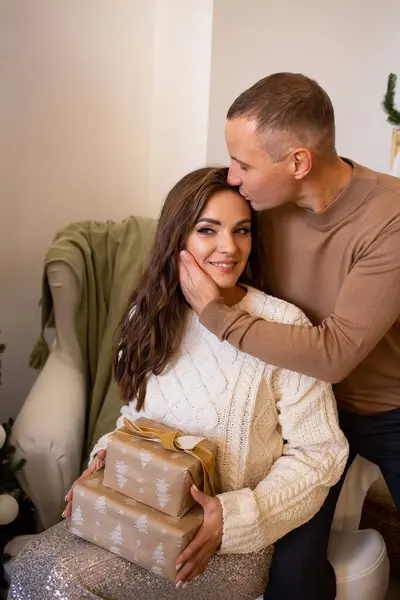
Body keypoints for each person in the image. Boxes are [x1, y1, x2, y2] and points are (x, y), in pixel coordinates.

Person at [9, 167, 347, 600]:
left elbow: (322, 454)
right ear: (177, 239)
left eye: (241, 231)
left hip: (227, 547)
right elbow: (134, 419)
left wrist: (235, 517)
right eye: (208, 230)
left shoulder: (283, 325)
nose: (230, 248)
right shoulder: (148, 318)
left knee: (68, 584)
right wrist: (103, 464)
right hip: (138, 515)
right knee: (31, 567)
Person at [179, 73, 400, 600]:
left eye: (245, 164)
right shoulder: (255, 207)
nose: (233, 177)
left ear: (298, 162)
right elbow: (201, 240)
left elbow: (335, 353)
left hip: (390, 408)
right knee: (292, 573)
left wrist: (217, 315)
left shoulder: (390, 217)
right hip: (300, 413)